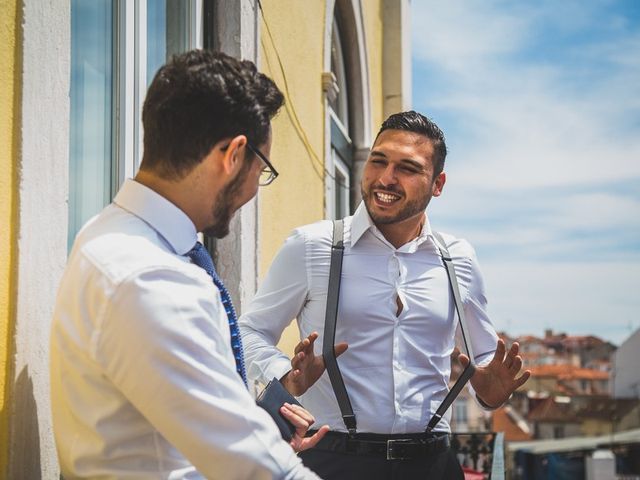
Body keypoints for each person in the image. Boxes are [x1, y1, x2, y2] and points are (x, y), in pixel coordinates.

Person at [50, 49, 326, 479]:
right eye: (262, 169)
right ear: (233, 155)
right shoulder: (155, 279)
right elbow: (258, 469)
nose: (256, 186)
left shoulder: (104, 234)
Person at [239, 111, 531, 479]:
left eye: (407, 168)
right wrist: (286, 377)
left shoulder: (458, 257)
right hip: (332, 460)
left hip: (434, 464)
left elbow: (483, 356)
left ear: (437, 184)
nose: (386, 178)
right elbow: (248, 333)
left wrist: (491, 390)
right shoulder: (312, 247)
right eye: (378, 161)